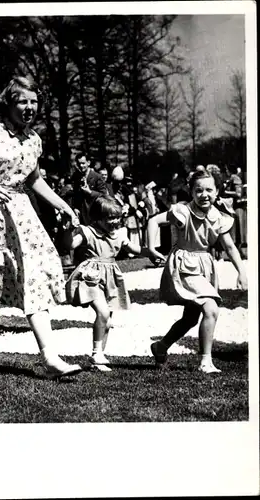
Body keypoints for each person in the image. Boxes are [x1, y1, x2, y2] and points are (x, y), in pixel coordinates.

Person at [0, 76, 81, 377]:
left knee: (34, 275)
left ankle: (50, 357)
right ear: (9, 103)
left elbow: (35, 180)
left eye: (34, 102)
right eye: (22, 102)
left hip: (19, 210)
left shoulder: (34, 140)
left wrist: (62, 205)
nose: (29, 108)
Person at [147, 166, 247, 374]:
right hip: (184, 264)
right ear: (191, 192)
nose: (204, 195)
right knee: (210, 308)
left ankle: (161, 346)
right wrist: (151, 247)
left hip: (203, 266)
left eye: (209, 190)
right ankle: (205, 361)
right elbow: (153, 221)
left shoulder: (218, 217)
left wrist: (242, 272)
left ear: (217, 192)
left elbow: (229, 247)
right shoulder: (182, 210)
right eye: (199, 190)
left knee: (191, 318)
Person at [64, 195, 144, 371]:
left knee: (107, 319)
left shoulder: (119, 234)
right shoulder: (88, 232)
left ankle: (99, 356)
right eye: (109, 218)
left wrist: (151, 251)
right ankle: (96, 352)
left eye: (117, 217)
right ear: (97, 218)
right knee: (103, 312)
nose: (114, 221)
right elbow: (71, 244)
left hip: (110, 278)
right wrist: (69, 230)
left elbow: (134, 249)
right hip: (91, 277)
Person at [71, 152, 107, 225]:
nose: (81, 166)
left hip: (94, 216)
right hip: (80, 216)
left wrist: (90, 192)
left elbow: (104, 195)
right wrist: (75, 207)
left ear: (88, 163)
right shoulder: (75, 176)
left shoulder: (97, 177)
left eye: (83, 163)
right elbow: (75, 194)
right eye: (79, 164)